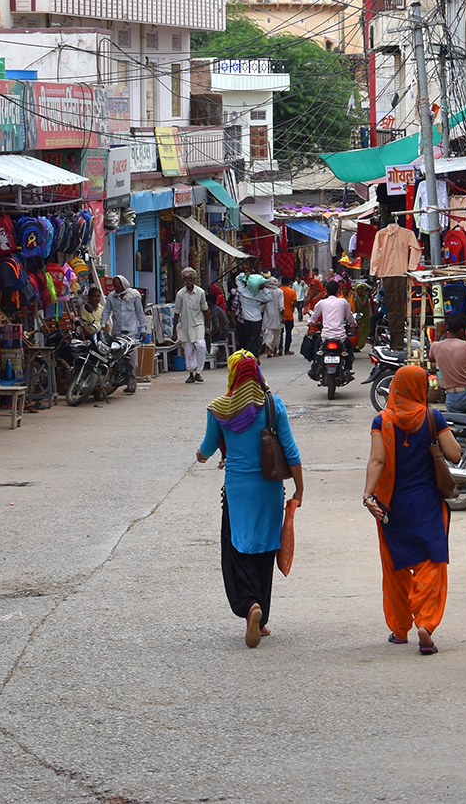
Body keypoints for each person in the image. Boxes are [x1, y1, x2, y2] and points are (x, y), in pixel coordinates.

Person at [196, 351, 303, 647]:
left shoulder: (219, 409)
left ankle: (249, 606)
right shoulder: (272, 405)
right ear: (256, 373)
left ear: (232, 375)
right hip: (269, 488)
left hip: (237, 491)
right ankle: (261, 616)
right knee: (265, 548)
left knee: (237, 548)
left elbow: (207, 448)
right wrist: (300, 489)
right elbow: (291, 451)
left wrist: (202, 456)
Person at [365, 365, 459, 654]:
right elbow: (455, 454)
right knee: (431, 561)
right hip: (428, 504)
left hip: (392, 506)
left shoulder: (382, 420)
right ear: (419, 388)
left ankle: (400, 627)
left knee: (395, 567)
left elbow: (378, 461)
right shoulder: (433, 417)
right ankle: (426, 623)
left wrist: (368, 495)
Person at [431, 317, 466, 417]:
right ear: (461, 331)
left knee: (457, 426)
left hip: (452, 395)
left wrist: (438, 335)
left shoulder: (436, 346)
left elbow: (431, 359)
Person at [174, 269, 209, 383]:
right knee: (188, 351)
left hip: (198, 325)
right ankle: (191, 373)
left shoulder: (200, 293)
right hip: (185, 325)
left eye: (190, 278)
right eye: (186, 279)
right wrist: (174, 330)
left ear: (194, 279)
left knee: (201, 345)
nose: (188, 281)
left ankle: (199, 372)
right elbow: (176, 312)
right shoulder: (180, 294)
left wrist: (207, 327)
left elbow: (205, 310)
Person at [233, 273, 268, 357]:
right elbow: (264, 301)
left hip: (243, 320)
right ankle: (253, 357)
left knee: (246, 340)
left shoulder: (240, 291)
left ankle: (248, 356)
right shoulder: (256, 292)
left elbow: (235, 304)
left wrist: (233, 316)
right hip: (254, 319)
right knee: (254, 339)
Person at [105, 275, 146, 340]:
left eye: (117, 286)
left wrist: (143, 330)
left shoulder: (134, 295)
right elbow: (106, 312)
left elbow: (140, 313)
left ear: (123, 285)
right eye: (114, 286)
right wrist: (103, 325)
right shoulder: (111, 296)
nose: (115, 288)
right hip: (117, 332)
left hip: (130, 332)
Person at [279, 277, 299, 354]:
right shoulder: (292, 291)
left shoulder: (278, 290)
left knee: (279, 333)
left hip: (280, 315)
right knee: (288, 333)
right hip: (289, 315)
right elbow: (295, 303)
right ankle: (287, 350)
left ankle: (279, 348)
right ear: (289, 282)